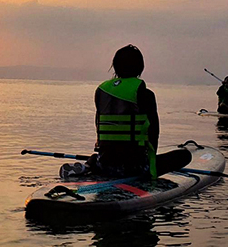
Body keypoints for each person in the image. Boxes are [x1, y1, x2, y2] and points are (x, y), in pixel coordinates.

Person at [62, 44, 190, 179]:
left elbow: (98, 126)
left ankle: (89, 166)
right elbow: (153, 132)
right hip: (133, 167)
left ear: (115, 66)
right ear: (140, 67)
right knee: (184, 155)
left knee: (96, 157)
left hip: (105, 163)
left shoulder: (101, 92)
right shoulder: (145, 94)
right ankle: (139, 169)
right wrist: (151, 166)